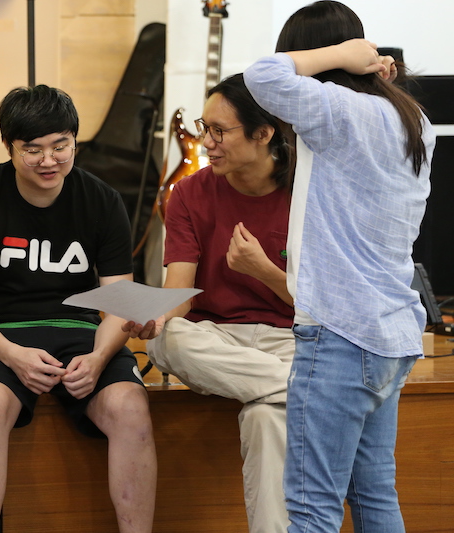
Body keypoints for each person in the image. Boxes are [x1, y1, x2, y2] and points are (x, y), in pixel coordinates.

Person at [243, 2, 435, 531]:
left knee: (312, 508)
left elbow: (262, 75)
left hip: (339, 334)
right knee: (374, 495)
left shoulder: (338, 110)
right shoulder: (410, 118)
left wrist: (340, 56)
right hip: (391, 332)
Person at [0, 85, 157, 533]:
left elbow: (119, 304)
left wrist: (99, 358)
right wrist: (12, 355)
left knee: (130, 407)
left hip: (81, 333)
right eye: (33, 149)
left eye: (61, 146)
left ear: (75, 141)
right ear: (8, 146)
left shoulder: (102, 200)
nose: (49, 160)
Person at [125, 73, 295, 533]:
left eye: (220, 131)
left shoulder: (305, 192)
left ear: (263, 133)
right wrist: (156, 315)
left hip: (288, 338)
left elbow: (318, 306)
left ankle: (286, 388)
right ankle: (307, 391)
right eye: (205, 127)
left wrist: (263, 270)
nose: (207, 142)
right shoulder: (188, 193)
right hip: (216, 338)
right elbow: (180, 290)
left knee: (266, 415)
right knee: (167, 341)